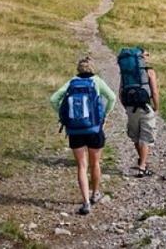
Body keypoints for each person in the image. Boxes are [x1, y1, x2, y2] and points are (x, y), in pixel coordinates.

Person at [50, 55, 116, 215]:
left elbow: (54, 99)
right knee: (95, 164)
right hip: (94, 128)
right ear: (93, 68)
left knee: (81, 166)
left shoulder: (71, 82)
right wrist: (104, 115)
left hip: (75, 130)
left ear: (78, 68)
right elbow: (112, 98)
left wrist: (64, 117)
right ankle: (95, 193)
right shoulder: (97, 81)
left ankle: (86, 202)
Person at [123, 48, 160, 177]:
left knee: (136, 136)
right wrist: (156, 107)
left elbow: (120, 92)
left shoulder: (126, 73)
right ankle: (143, 166)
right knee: (145, 137)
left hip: (130, 108)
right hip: (145, 107)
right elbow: (154, 92)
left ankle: (142, 161)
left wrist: (126, 107)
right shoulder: (149, 71)